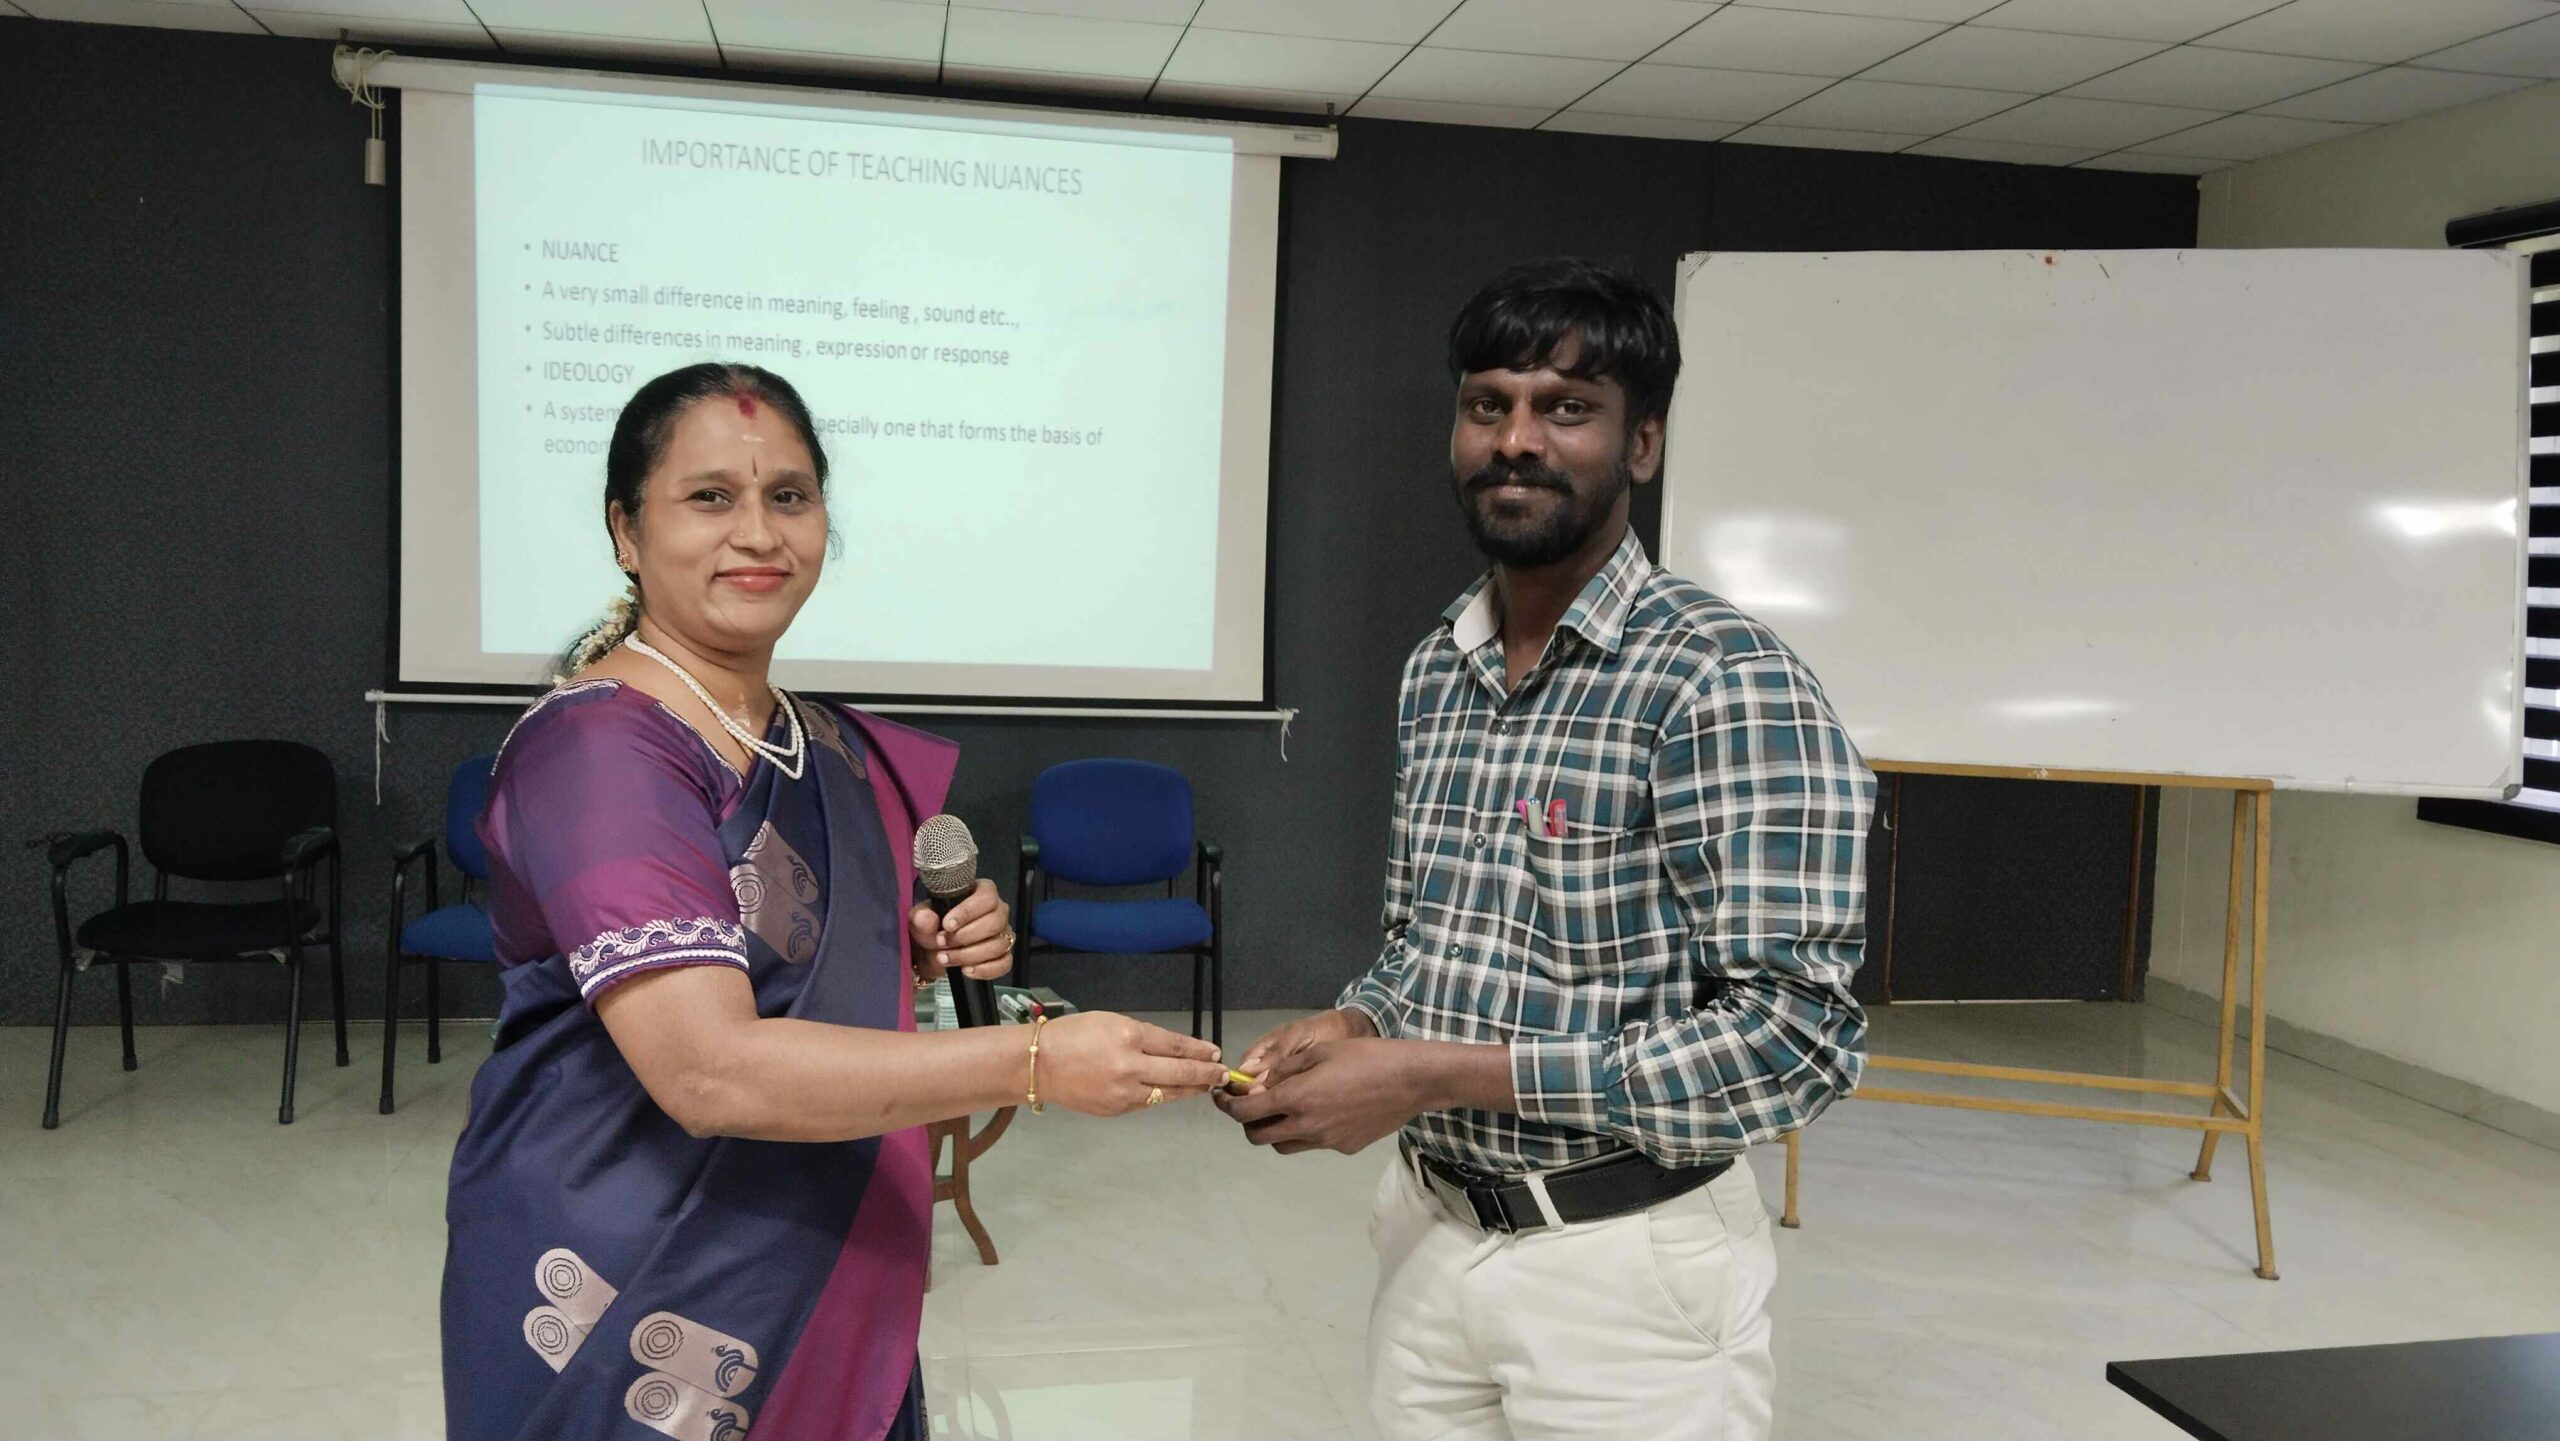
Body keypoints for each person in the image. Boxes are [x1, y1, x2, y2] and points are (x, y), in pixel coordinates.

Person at [442, 362, 1229, 1441]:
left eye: (789, 496)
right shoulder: (601, 750)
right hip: (632, 1281)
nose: (758, 533)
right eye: (709, 497)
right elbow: (708, 1068)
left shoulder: (824, 746)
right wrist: (1036, 1059)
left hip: (822, 1249)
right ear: (626, 529)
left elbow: (787, 956)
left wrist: (912, 946)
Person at [1216, 259, 1874, 1440]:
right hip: (1428, 1232)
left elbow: (1795, 1044)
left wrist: (1431, 1074)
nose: (1515, 439)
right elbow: (1428, 936)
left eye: (1566, 408)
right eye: (1488, 404)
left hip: (1625, 1271)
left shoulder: (1722, 678)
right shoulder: (1441, 663)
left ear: (1641, 444)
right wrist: (1363, 1021)